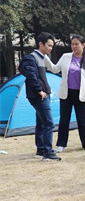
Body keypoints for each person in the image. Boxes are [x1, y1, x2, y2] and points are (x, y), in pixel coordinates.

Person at [44, 35, 85, 153]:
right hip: (66, 94)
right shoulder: (65, 57)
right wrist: (44, 57)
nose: (74, 46)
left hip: (81, 94)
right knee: (64, 120)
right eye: (72, 44)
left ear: (83, 45)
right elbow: (55, 69)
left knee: (82, 120)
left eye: (77, 44)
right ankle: (61, 144)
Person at [19, 32, 60, 161]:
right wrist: (39, 91)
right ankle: (48, 153)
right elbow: (31, 76)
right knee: (49, 123)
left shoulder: (42, 58)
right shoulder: (31, 58)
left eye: (52, 46)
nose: (50, 48)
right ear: (40, 44)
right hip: (39, 96)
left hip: (43, 94)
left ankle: (40, 150)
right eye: (48, 45)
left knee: (41, 123)